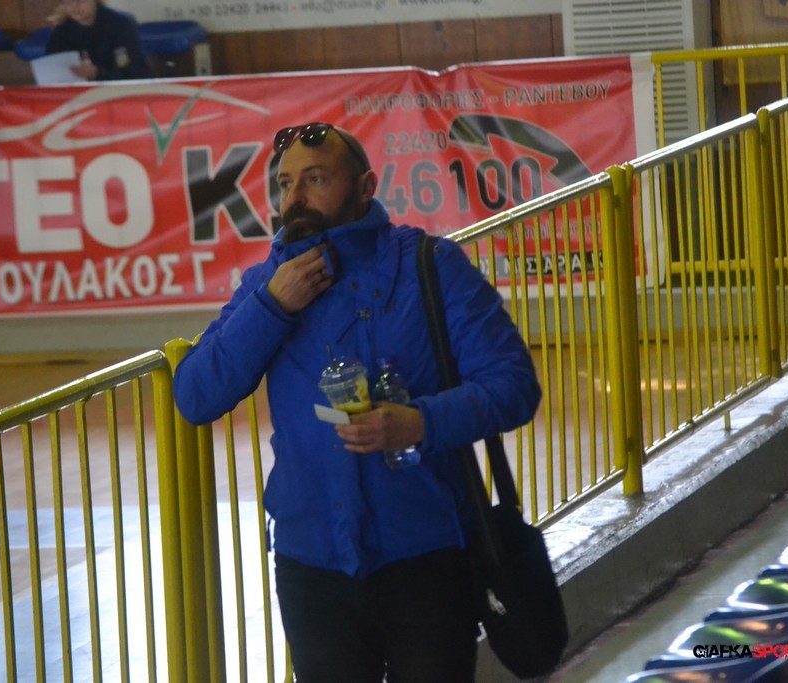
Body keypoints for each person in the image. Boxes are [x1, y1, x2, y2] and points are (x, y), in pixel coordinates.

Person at [173, 123, 541, 682]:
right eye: (285, 183)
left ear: (366, 187)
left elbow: (514, 385)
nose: (295, 197)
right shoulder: (268, 285)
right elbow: (196, 395)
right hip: (312, 569)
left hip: (426, 557)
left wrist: (421, 423)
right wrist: (273, 307)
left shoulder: (431, 267)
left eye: (316, 179)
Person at [45, 0, 152, 81]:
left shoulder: (120, 24)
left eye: (80, 1)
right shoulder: (62, 30)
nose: (74, 6)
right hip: (79, 94)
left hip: (122, 91)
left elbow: (134, 74)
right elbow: (52, 67)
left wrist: (97, 73)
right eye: (68, 2)